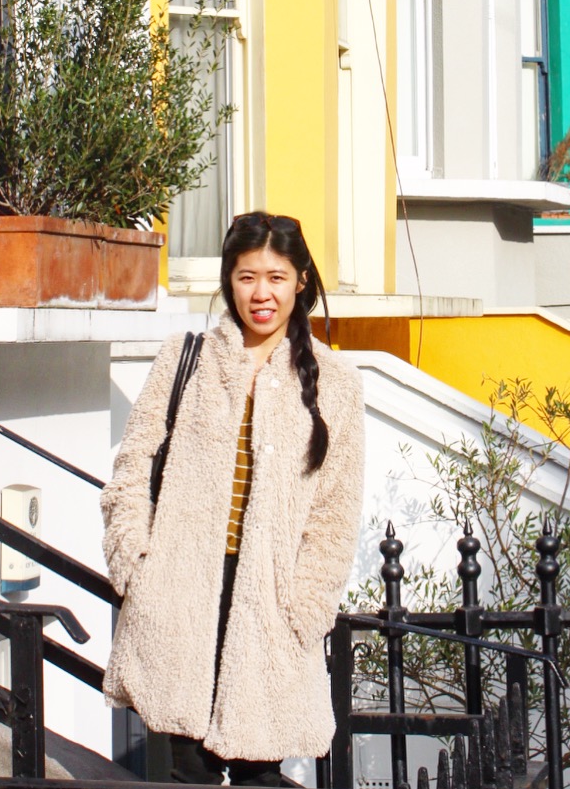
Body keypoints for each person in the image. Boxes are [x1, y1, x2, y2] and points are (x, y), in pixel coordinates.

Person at [100, 212, 365, 785]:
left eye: (276, 276)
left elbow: (335, 513)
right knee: (186, 772)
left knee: (261, 776)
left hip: (270, 605)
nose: (261, 293)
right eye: (247, 277)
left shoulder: (337, 383)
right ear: (228, 280)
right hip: (181, 595)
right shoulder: (186, 358)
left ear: (300, 280)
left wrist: (308, 607)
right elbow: (132, 464)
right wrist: (134, 562)